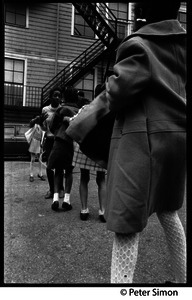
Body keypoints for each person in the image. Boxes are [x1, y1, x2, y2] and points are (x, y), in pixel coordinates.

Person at [104, 1, 186, 283]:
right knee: (168, 211)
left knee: (127, 227)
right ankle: (180, 282)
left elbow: (117, 92)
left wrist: (110, 76)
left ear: (146, 11)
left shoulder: (139, 45)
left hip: (144, 141)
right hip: (176, 139)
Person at [72, 88, 106, 222]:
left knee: (84, 177)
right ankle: (103, 211)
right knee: (101, 179)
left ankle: (84, 210)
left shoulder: (86, 108)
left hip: (85, 147)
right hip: (101, 147)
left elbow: (74, 122)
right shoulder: (110, 111)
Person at [47, 86, 79, 211]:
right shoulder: (79, 110)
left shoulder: (61, 109)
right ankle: (66, 200)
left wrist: (58, 133)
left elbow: (52, 125)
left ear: (64, 97)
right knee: (69, 172)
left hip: (60, 140)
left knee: (58, 170)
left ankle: (55, 199)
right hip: (72, 142)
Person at [41, 87, 64, 199]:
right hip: (49, 140)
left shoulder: (63, 109)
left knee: (59, 165)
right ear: (50, 97)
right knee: (49, 166)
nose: (57, 98)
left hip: (59, 140)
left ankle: (60, 188)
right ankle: (51, 189)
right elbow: (44, 128)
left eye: (59, 96)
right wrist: (41, 124)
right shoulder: (45, 110)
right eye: (55, 95)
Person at [28, 115, 45, 182]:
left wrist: (42, 143)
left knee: (40, 160)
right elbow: (31, 123)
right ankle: (31, 175)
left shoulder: (42, 126)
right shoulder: (34, 125)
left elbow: (43, 135)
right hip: (34, 142)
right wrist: (35, 119)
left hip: (39, 142)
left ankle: (40, 174)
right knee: (32, 159)